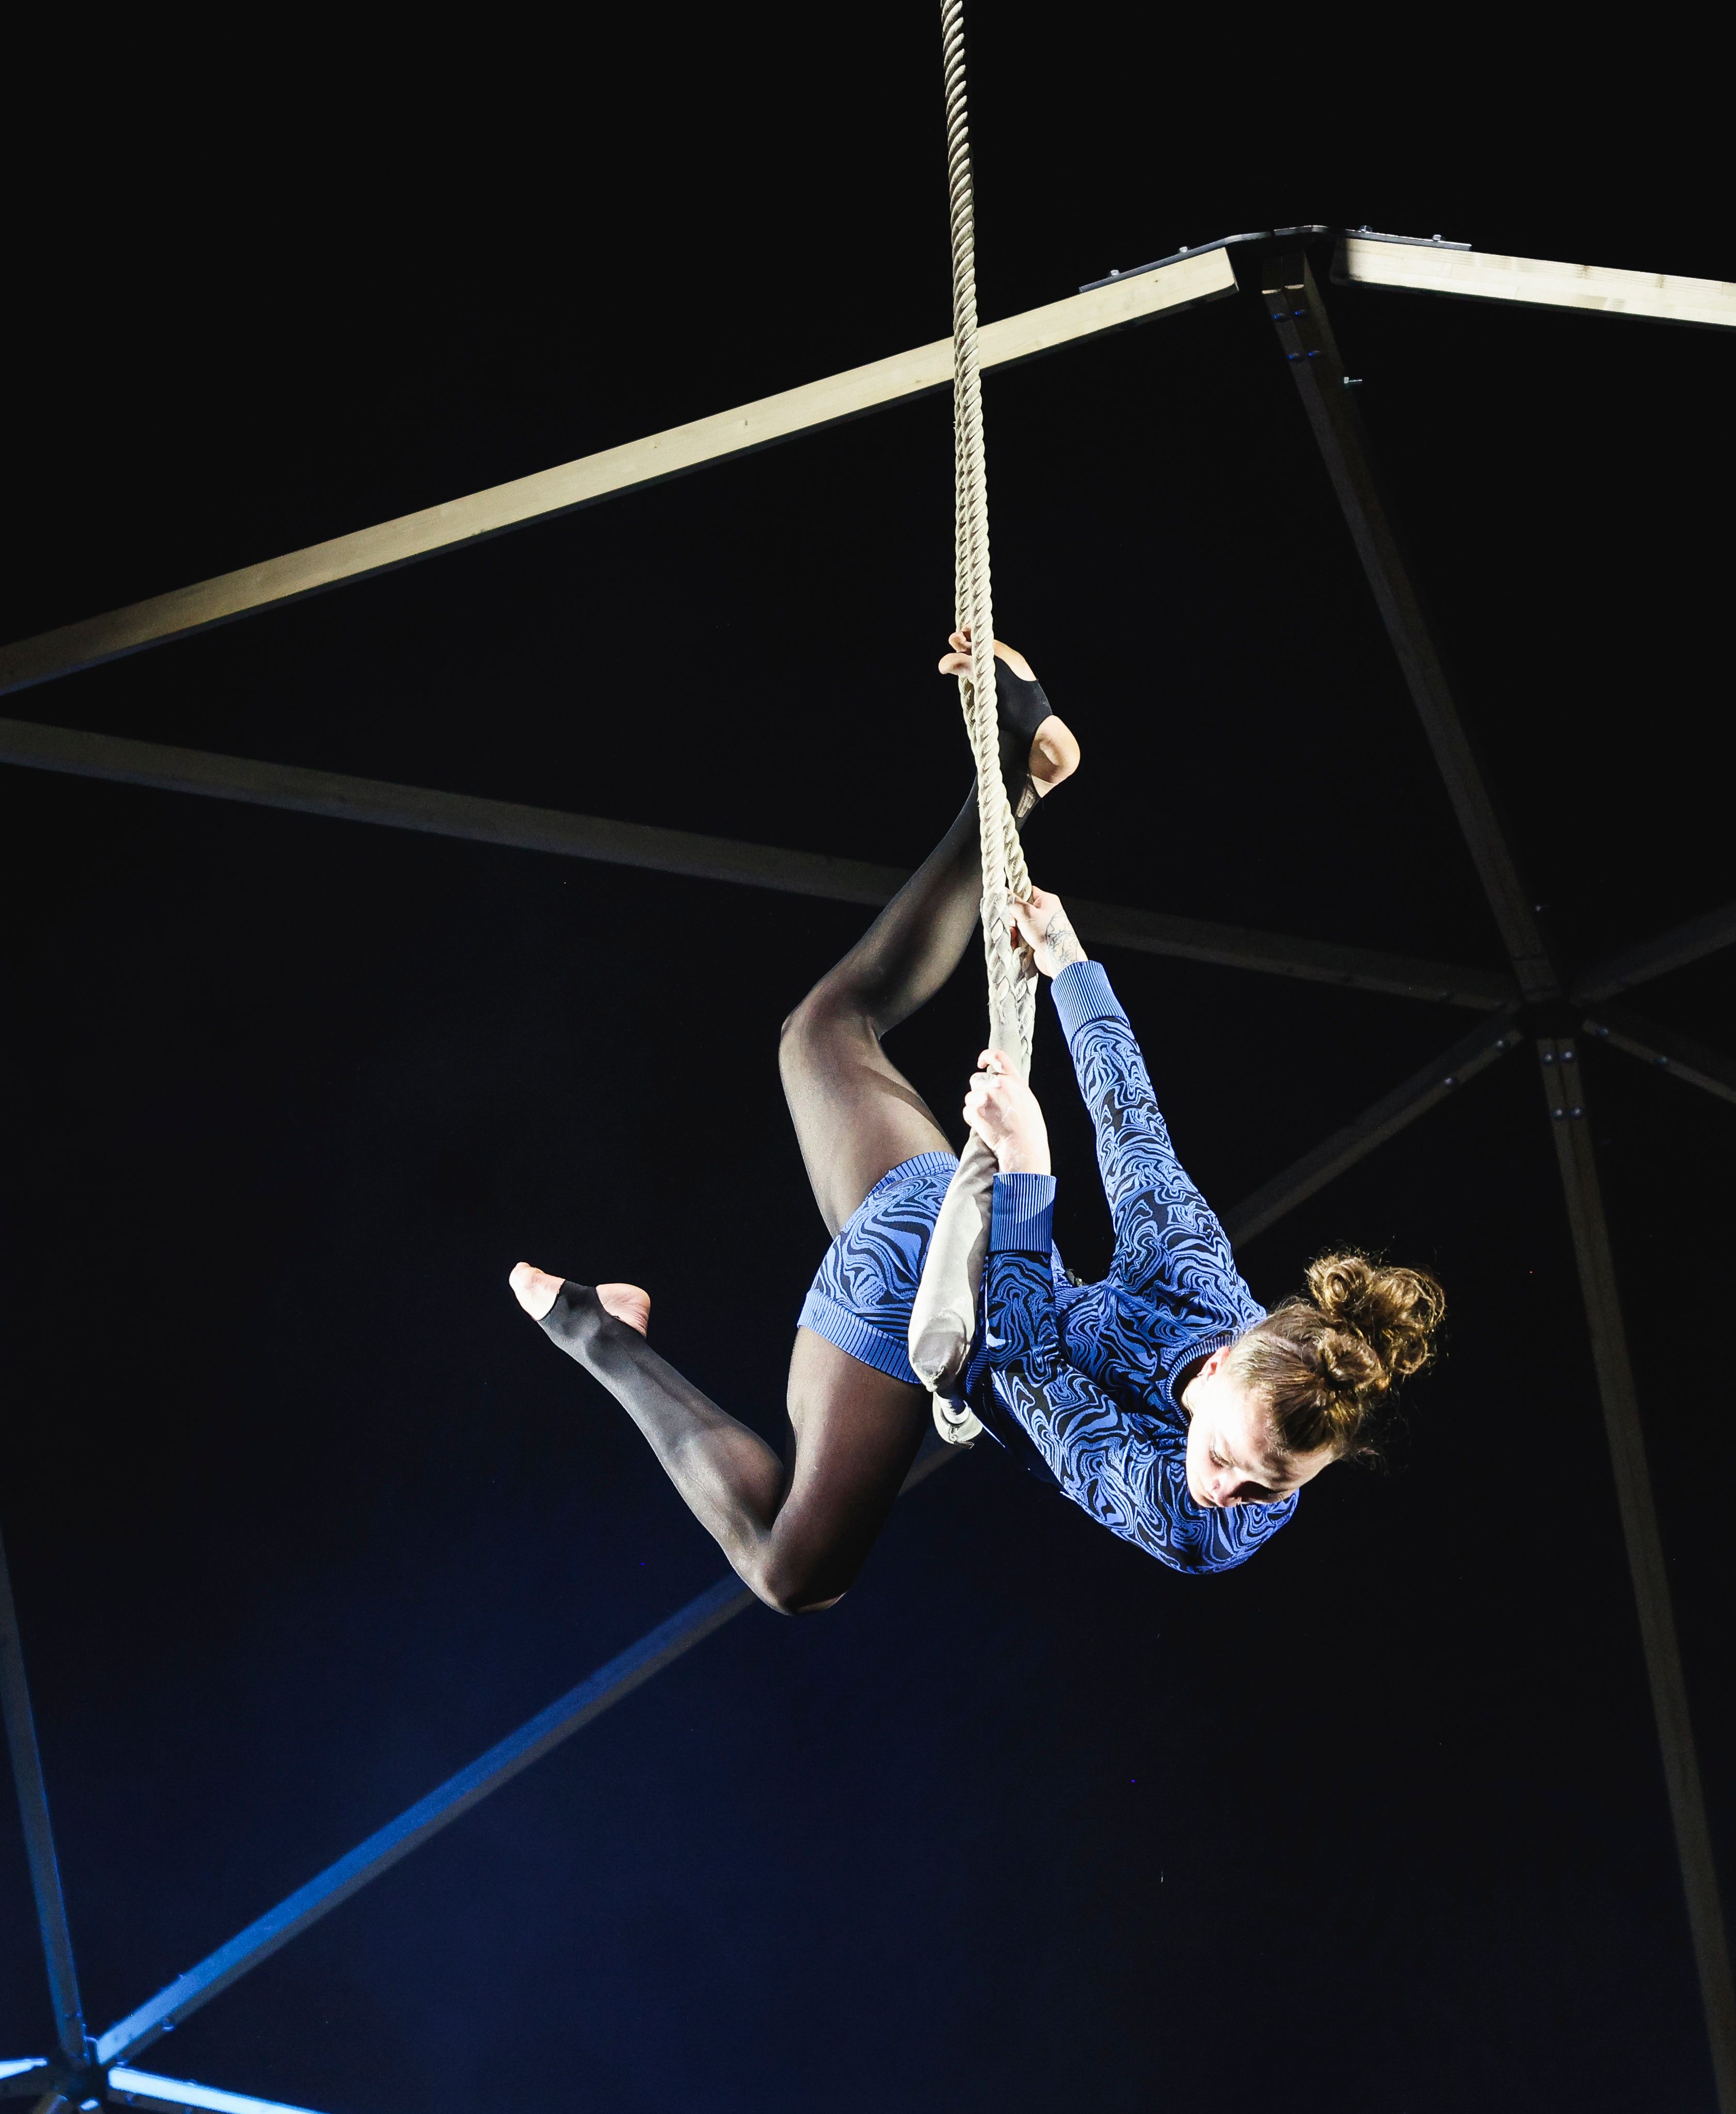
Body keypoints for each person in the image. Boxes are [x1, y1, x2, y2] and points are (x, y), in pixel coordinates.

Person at [510, 632, 1446, 1615]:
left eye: (1274, 1486)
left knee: (826, 1032)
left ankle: (1021, 772)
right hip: (943, 1292)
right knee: (794, 1575)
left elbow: (1046, 1379)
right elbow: (1121, 1159)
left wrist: (1025, 1168)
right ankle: (595, 1330)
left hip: (962, 1232)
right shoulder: (1199, 1295)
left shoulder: (1201, 1519)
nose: (1226, 1489)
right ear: (1222, 1357)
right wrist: (1070, 965)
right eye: (1226, 1457)